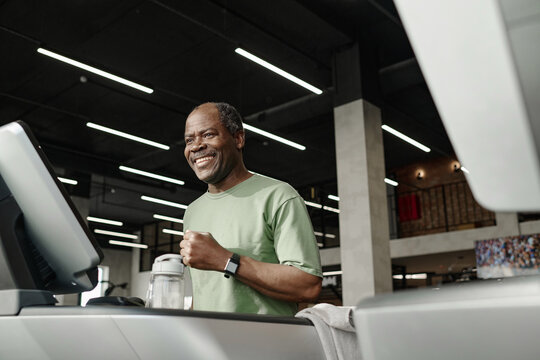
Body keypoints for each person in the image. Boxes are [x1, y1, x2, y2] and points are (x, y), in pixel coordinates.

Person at [180, 102, 322, 316]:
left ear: (238, 139)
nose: (196, 146)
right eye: (189, 140)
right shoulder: (192, 211)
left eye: (208, 135)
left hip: (264, 345)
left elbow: (307, 285)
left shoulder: (278, 195)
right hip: (209, 343)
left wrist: (226, 260)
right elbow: (208, 294)